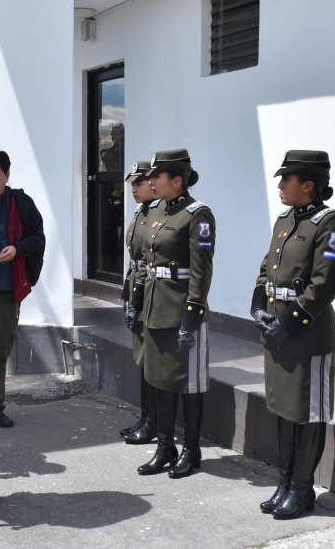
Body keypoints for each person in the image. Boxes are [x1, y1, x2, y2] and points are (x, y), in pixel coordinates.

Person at [251, 150, 335, 520]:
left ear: (308, 186)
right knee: (284, 409)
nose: (280, 185)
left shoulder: (331, 223)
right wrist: (258, 306)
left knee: (308, 414)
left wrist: (289, 323)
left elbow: (325, 283)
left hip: (308, 335)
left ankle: (302, 489)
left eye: (286, 179)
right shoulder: (286, 219)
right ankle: (285, 482)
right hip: (278, 331)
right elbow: (268, 267)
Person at [136, 148, 214, 479]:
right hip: (155, 309)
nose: (151, 181)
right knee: (160, 382)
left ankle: (191, 450)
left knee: (189, 385)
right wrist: (137, 302)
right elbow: (148, 262)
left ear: (177, 180)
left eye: (157, 176)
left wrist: (192, 318)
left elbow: (201, 272)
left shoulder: (197, 215)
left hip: (182, 312)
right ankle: (165, 446)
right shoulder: (157, 211)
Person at [0, 149, 45, 429]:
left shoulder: (21, 203)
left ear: (7, 175)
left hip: (5, 288)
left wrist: (17, 249)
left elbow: (38, 237)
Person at [120, 160, 160, 444]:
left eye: (139, 183)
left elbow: (149, 261)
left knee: (151, 361)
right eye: (132, 184)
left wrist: (136, 299)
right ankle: (146, 417)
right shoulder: (141, 212)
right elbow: (134, 260)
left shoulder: (158, 213)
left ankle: (153, 422)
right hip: (136, 286)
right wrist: (127, 294)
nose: (134, 189)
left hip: (149, 292)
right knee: (142, 360)